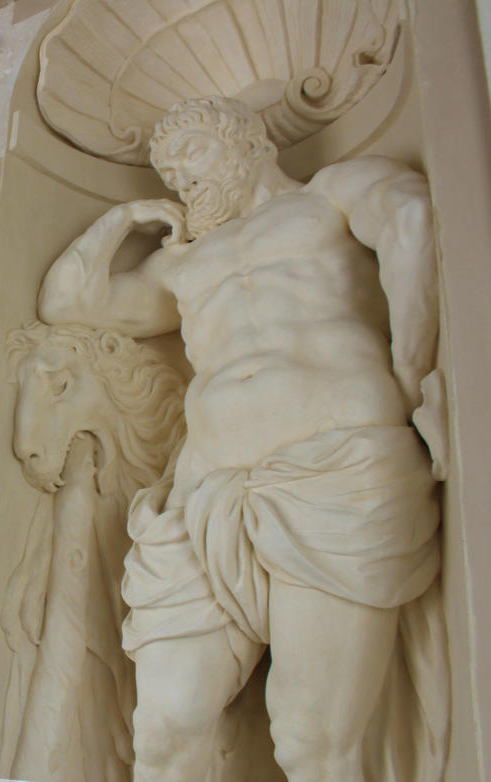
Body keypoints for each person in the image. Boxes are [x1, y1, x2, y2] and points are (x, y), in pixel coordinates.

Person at [37, 95, 443, 782]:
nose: (180, 178)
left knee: (310, 741)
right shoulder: (184, 263)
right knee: (162, 731)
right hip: (206, 499)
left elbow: (413, 219)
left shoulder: (330, 196)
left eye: (191, 153)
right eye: (167, 171)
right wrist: (121, 218)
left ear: (249, 141)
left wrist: (412, 373)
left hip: (336, 475)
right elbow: (68, 303)